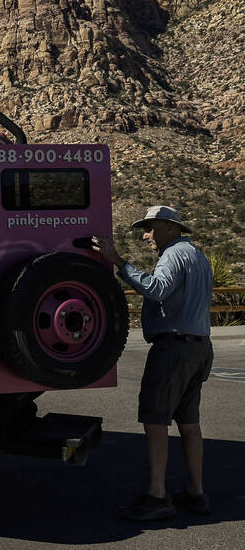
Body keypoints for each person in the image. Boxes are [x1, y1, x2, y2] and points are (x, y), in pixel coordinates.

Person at [88, 205, 214, 521]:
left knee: (155, 420)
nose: (146, 235)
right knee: (189, 422)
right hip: (198, 347)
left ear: (171, 228)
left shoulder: (172, 254)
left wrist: (117, 261)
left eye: (150, 227)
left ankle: (158, 496)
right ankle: (196, 493)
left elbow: (157, 290)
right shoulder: (198, 256)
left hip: (173, 347)